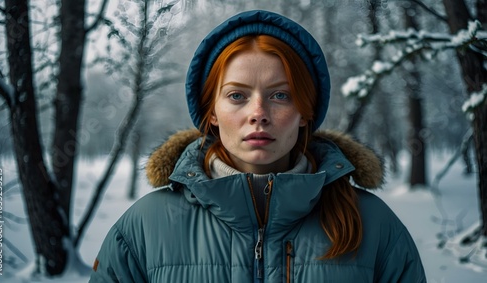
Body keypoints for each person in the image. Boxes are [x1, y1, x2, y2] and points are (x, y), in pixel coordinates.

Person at [90, 10, 426, 282]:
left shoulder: (374, 225)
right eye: (237, 96)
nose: (258, 114)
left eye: (280, 95)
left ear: (305, 112)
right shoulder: (144, 227)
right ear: (213, 113)